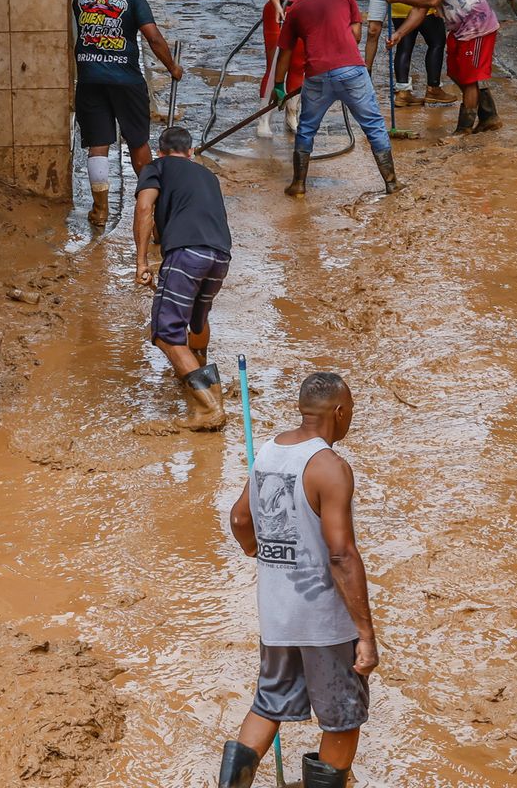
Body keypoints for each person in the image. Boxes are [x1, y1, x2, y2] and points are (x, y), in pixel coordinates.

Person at [221, 373, 377, 788]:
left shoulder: (269, 453)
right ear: (340, 412)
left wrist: (260, 552)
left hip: (277, 614)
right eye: (351, 412)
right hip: (323, 620)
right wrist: (365, 633)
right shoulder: (330, 466)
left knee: (268, 705)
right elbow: (342, 555)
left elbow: (239, 518)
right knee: (342, 717)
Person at [133, 127, 232, 431]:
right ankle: (200, 380)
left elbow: (145, 207)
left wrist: (141, 261)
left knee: (165, 331)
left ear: (160, 151)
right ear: (191, 152)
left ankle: (209, 407)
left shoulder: (156, 167)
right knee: (197, 321)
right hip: (220, 255)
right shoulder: (207, 176)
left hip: (186, 253)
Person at [73, 0, 184, 227]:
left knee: (98, 145)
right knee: (138, 142)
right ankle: (154, 207)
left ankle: (100, 210)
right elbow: (153, 38)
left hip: (90, 79)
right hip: (126, 82)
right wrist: (172, 67)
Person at [272, 0, 399, 196]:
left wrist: (278, 85)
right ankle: (392, 183)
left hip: (317, 75)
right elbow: (357, 35)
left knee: (306, 128)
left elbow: (285, 53)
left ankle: (298, 184)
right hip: (351, 71)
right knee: (374, 125)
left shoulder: (295, 9)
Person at [387, 0, 500, 133]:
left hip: (476, 24)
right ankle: (488, 115)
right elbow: (420, 8)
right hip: (460, 28)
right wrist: (399, 33)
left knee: (469, 80)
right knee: (455, 73)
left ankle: (463, 130)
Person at [366, 0, 458, 107]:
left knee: (404, 46)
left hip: (396, 2)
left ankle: (403, 91)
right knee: (436, 42)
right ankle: (433, 88)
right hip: (418, 0)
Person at [260, 0, 306, 138]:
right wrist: (278, 6)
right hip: (277, 9)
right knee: (274, 65)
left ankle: (292, 115)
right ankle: (264, 119)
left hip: (303, 9)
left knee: (298, 65)